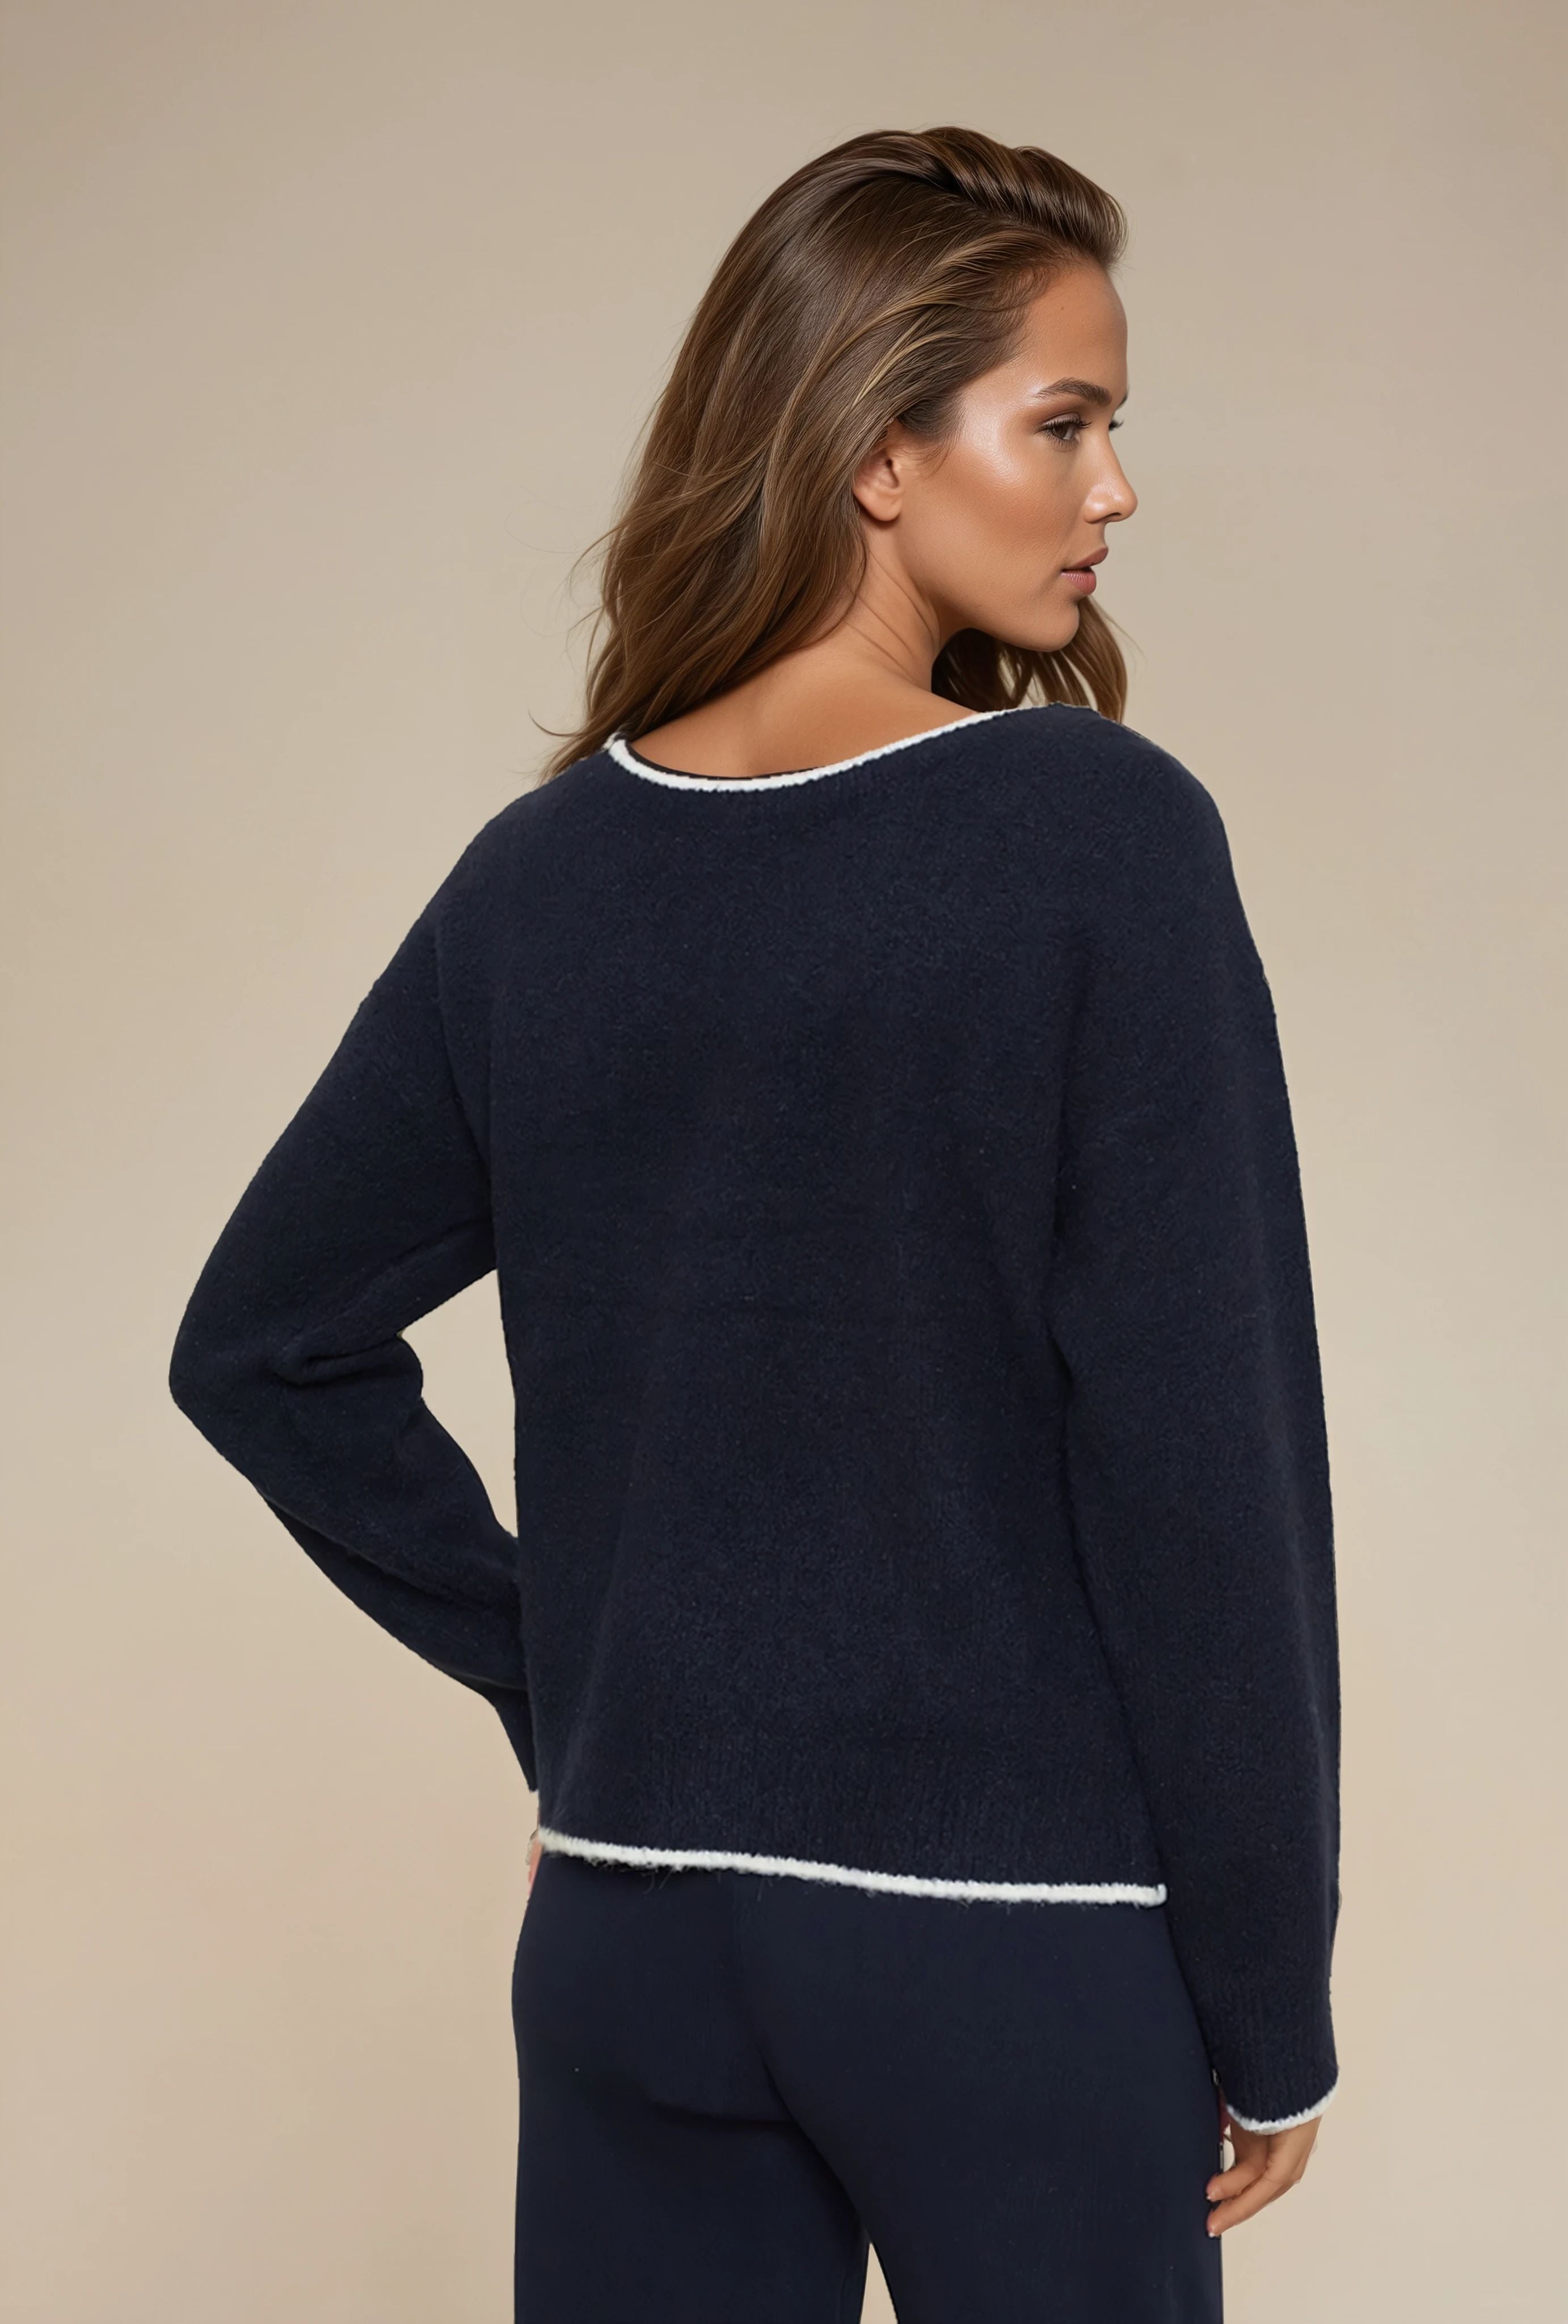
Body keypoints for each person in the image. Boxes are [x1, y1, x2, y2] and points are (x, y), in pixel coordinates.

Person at [169, 125, 1341, 2322]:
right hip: (1013, 1942)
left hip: (634, 1936)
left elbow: (261, 1346)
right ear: (879, 448)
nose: (1112, 490)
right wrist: (1273, 1997)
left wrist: (575, 1695)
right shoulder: (1099, 837)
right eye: (1064, 422)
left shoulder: (542, 876)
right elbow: (1204, 1461)